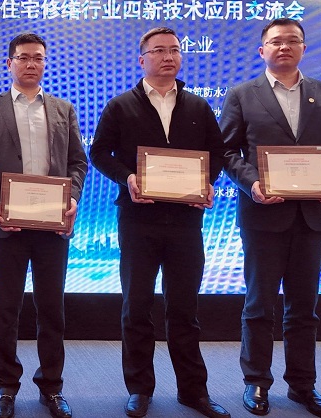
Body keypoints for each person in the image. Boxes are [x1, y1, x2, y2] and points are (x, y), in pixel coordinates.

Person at [91, 27, 230, 418]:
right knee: (136, 307)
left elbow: (217, 152)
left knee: (184, 309)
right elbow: (99, 152)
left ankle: (193, 392)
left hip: (185, 221)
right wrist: (127, 178)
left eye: (174, 50)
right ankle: (139, 389)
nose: (168, 57)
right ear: (142, 59)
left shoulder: (198, 106)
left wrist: (208, 181)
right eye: (159, 51)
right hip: (138, 220)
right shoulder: (121, 105)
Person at [219, 18, 321, 418]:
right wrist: (252, 183)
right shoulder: (242, 94)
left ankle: (303, 385)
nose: (284, 47)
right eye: (276, 41)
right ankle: (256, 381)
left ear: (303, 49)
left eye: (293, 41)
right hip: (263, 214)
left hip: (312, 216)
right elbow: (226, 151)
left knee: (304, 306)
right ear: (262, 50)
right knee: (259, 303)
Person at [0, 33, 88, 418]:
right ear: (10, 63)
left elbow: (78, 162)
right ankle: (5, 386)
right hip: (8, 225)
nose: (31, 64)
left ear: (45, 63)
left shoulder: (63, 109)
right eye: (23, 57)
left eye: (38, 57)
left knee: (51, 309)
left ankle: (51, 387)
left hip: (53, 226)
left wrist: (72, 198)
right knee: (6, 310)